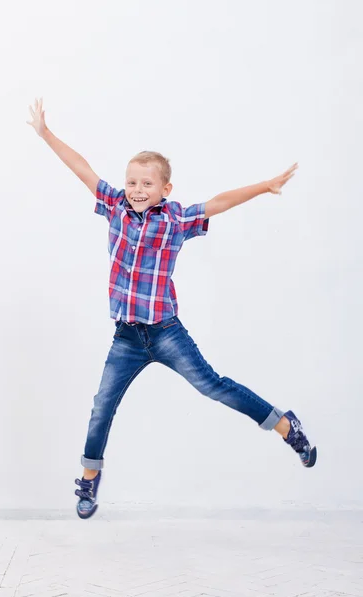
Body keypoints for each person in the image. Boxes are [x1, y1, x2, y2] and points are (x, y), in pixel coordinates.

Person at [27, 98, 317, 520]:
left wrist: (263, 186)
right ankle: (89, 480)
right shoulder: (114, 206)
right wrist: (46, 134)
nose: (137, 190)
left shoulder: (175, 219)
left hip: (165, 331)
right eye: (132, 182)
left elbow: (218, 202)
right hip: (127, 336)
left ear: (165, 190)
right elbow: (82, 167)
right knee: (101, 406)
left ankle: (285, 425)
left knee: (213, 385)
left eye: (147, 184)